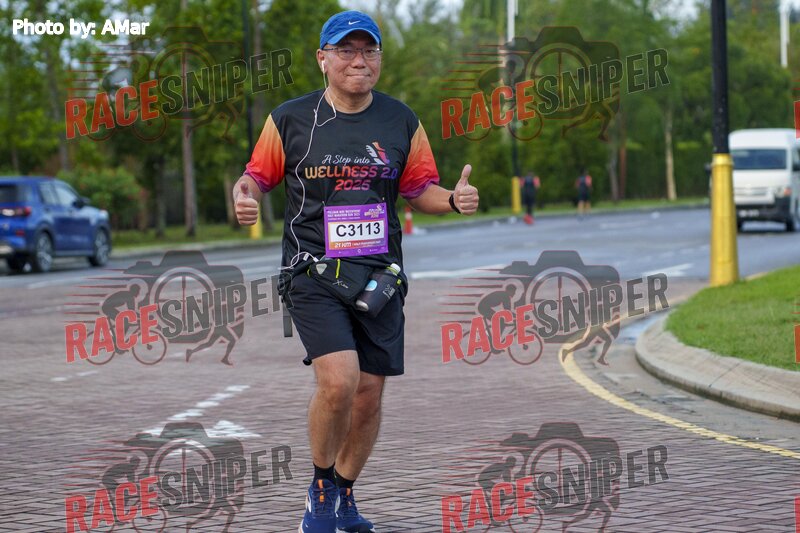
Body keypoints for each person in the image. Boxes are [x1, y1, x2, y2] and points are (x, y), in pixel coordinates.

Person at [232, 10, 479, 533]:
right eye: (345, 50)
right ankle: (321, 489)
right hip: (313, 272)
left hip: (379, 276)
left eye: (368, 50)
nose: (358, 60)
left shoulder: (400, 120)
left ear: (380, 59)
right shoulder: (290, 119)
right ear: (322, 59)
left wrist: (453, 200)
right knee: (340, 381)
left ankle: (344, 492)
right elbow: (255, 177)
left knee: (368, 394)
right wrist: (244, 196)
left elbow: (419, 190)